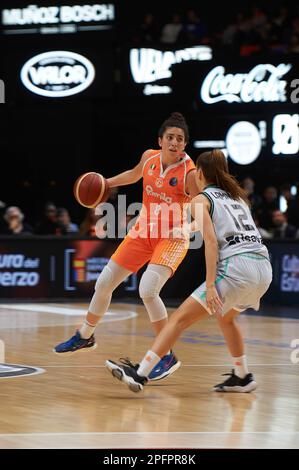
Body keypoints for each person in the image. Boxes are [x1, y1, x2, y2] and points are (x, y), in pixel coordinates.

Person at [106, 149, 272, 393]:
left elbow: (212, 242)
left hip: (236, 269)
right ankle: (242, 375)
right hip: (263, 268)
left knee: (178, 320)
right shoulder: (239, 198)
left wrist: (211, 284)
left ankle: (140, 374)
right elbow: (215, 224)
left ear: (200, 174)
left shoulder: (200, 199)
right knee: (226, 319)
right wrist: (187, 230)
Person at [54, 112, 200, 381]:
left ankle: (166, 355)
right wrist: (106, 183)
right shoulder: (149, 158)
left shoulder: (189, 174)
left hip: (171, 237)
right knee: (104, 283)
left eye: (180, 139)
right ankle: (85, 336)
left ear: (185, 145)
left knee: (147, 289)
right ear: (160, 140)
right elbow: (134, 175)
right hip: (143, 231)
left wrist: (189, 228)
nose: (175, 143)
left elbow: (205, 209)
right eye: (170, 137)